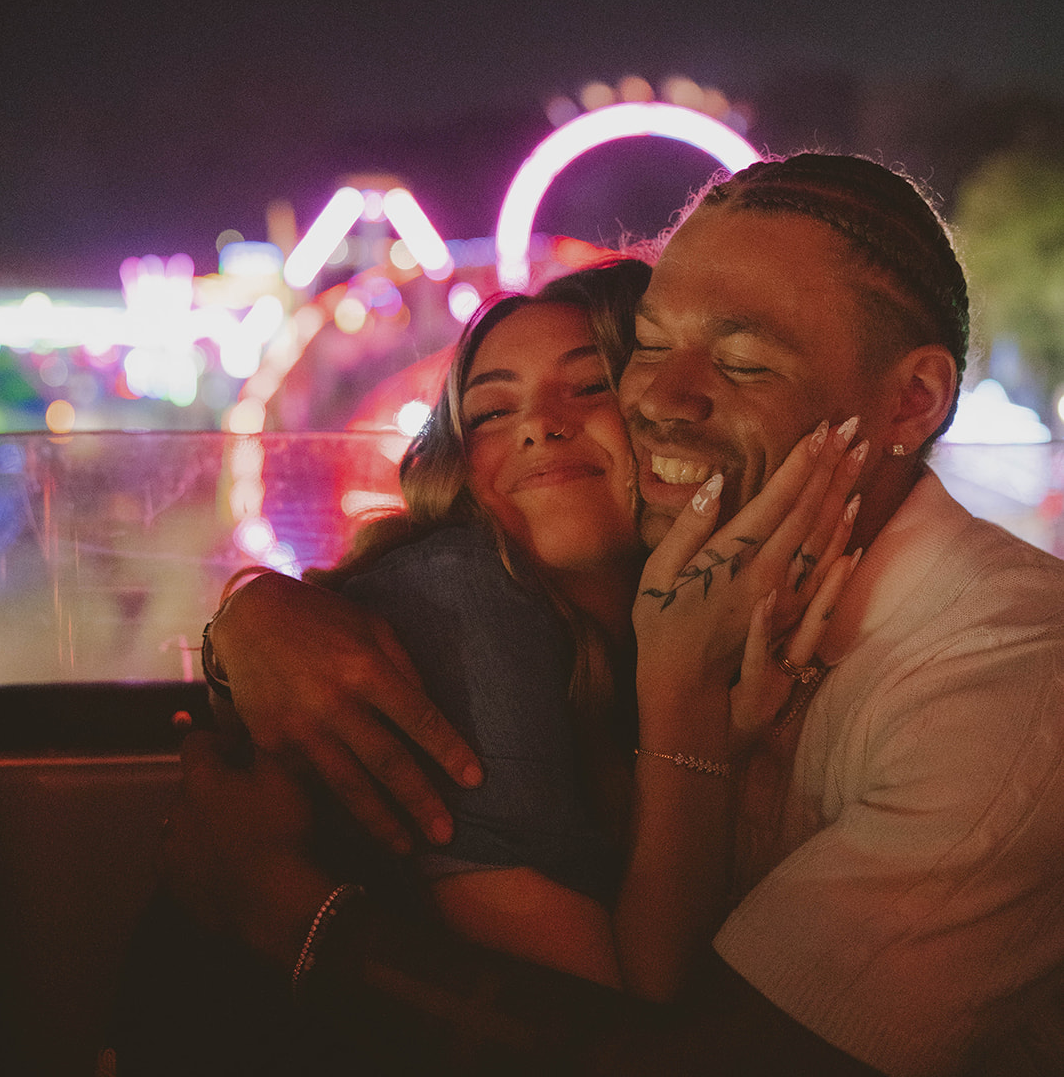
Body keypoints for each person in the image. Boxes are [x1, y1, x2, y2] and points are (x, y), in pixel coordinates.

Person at [160, 155, 1064, 1076]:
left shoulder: (1004, 691)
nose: (658, 401)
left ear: (912, 400)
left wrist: (284, 913)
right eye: (651, 345)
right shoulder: (605, 608)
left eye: (744, 361)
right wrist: (246, 616)